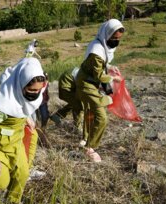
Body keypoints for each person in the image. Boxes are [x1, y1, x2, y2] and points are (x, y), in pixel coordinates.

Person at [0, 57, 47, 204]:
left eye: (38, 90)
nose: (35, 93)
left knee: (23, 173)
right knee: (1, 183)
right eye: (31, 90)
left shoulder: (32, 93)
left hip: (14, 143)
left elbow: (22, 106)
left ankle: (12, 203)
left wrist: (26, 116)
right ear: (21, 85)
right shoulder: (3, 103)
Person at [75, 19, 125, 162]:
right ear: (107, 35)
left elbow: (101, 64)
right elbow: (99, 75)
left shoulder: (101, 46)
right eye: (114, 38)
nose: (116, 41)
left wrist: (109, 67)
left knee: (90, 112)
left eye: (118, 39)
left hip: (90, 81)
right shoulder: (97, 51)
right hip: (86, 84)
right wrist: (113, 79)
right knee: (102, 117)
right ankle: (90, 148)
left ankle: (85, 139)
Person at [50, 67, 84, 131]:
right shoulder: (89, 79)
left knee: (74, 102)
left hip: (71, 80)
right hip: (66, 82)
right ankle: (78, 128)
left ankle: (57, 116)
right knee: (78, 105)